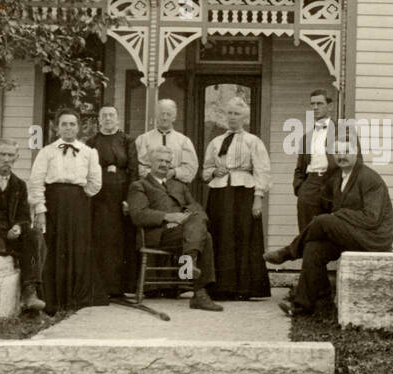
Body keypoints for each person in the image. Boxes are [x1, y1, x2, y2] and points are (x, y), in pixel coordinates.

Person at [266, 127, 393, 317]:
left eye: (346, 151)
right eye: (337, 152)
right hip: (353, 234)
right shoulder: (337, 179)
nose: (341, 156)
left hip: (373, 238)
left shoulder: (369, 178)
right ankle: (303, 306)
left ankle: (289, 252)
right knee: (313, 248)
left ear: (356, 152)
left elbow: (372, 218)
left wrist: (339, 216)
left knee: (325, 220)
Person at [128, 146, 223, 311]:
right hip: (158, 235)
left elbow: (195, 207)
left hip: (184, 232)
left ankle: (191, 262)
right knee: (204, 236)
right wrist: (168, 217)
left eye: (167, 161)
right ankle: (198, 290)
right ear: (150, 162)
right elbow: (138, 214)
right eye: (160, 161)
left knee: (200, 221)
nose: (164, 164)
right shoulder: (140, 185)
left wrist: (183, 219)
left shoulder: (179, 185)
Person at [29, 105, 102, 314]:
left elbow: (95, 183)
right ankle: (55, 300)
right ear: (56, 128)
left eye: (72, 124)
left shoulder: (89, 152)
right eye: (64, 124)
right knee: (55, 247)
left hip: (79, 204)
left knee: (77, 247)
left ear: (79, 127)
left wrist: (79, 195)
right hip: (53, 203)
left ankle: (76, 299)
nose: (68, 128)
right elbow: (36, 182)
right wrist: (41, 210)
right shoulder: (46, 152)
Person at [202, 96, 271, 300]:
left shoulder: (253, 141)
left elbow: (262, 170)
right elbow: (205, 170)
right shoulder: (216, 142)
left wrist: (258, 198)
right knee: (221, 235)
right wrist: (215, 172)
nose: (232, 118)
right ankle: (220, 287)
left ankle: (244, 289)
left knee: (243, 235)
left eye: (237, 114)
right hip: (220, 193)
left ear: (245, 118)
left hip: (244, 193)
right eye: (230, 113)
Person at [0, 139, 47, 311]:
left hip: (9, 234)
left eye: (10, 155)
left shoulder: (19, 185)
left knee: (35, 235)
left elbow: (23, 216)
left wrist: (19, 227)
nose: (6, 159)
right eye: (2, 154)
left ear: (16, 158)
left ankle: (30, 291)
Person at [86, 104, 139, 302]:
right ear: (99, 119)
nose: (108, 118)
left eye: (111, 115)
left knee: (121, 241)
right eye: (104, 115)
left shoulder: (127, 141)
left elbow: (134, 170)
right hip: (100, 199)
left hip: (122, 198)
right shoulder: (91, 142)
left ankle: (120, 289)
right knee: (103, 240)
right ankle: (102, 288)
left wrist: (130, 200)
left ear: (118, 119)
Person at [292, 89, 335, 234]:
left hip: (333, 182)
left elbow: (356, 161)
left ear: (330, 106)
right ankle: (308, 256)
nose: (315, 107)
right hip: (310, 184)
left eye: (320, 103)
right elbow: (299, 168)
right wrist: (300, 188)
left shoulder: (343, 132)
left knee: (332, 228)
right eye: (313, 104)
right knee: (307, 228)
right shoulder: (307, 137)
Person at [135, 98, 198, 184]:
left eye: (168, 114)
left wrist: (174, 172)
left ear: (174, 117)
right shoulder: (143, 139)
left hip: (176, 184)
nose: (164, 118)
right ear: (156, 116)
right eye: (162, 114)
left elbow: (191, 167)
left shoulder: (184, 141)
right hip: (150, 184)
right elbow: (136, 165)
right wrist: (152, 174)